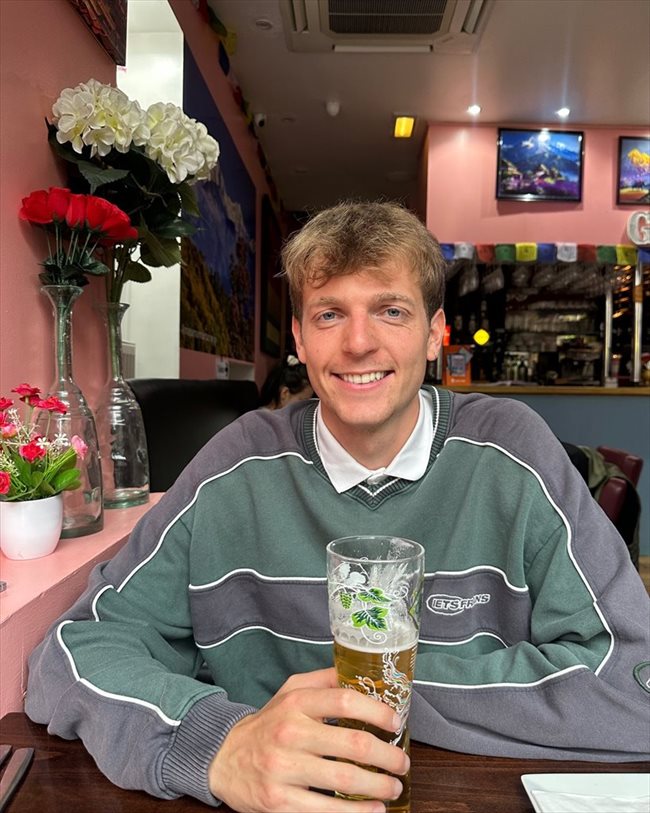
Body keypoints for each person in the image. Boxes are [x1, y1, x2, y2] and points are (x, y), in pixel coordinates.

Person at [26, 202, 650, 812]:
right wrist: (221, 746)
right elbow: (72, 654)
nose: (358, 343)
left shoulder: (512, 452)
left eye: (391, 311)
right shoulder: (235, 465)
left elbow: (633, 680)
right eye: (329, 314)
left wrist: (367, 699)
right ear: (299, 339)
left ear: (435, 333)